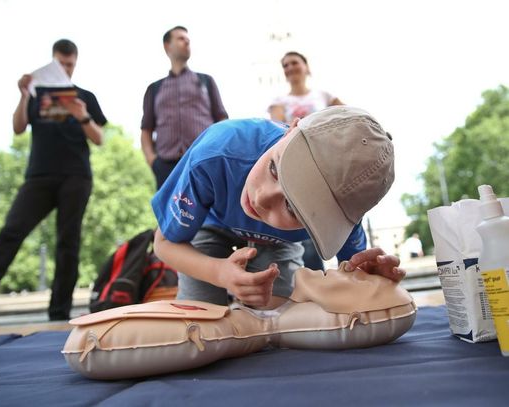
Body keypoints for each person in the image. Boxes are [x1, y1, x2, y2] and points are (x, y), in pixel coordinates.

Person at [151, 105, 405, 309]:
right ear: (291, 129)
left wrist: (371, 282)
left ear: (333, 224)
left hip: (277, 242)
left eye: (293, 208)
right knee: (200, 318)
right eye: (274, 168)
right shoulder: (216, 154)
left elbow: (356, 282)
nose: (261, 198)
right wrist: (219, 273)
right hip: (211, 223)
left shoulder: (342, 212)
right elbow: (164, 244)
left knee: (283, 316)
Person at [0, 39, 107, 324]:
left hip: (76, 177)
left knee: (68, 243)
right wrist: (23, 94)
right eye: (61, 64)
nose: (66, 68)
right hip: (39, 177)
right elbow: (18, 128)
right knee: (9, 235)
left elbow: (99, 138)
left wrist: (82, 115)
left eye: (70, 64)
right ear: (52, 63)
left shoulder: (85, 96)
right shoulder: (35, 95)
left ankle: (59, 314)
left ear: (75, 63)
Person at [269, 51, 344, 271]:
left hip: (328, 165)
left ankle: (351, 270)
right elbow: (276, 127)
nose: (290, 67)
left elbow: (348, 118)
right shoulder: (280, 101)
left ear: (306, 66)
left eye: (294, 62)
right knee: (306, 221)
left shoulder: (325, 95)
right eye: (285, 65)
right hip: (299, 167)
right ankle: (315, 278)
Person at [140, 25, 228, 189]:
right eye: (181, 39)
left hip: (204, 160)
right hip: (166, 167)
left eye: (188, 40)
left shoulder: (206, 81)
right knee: (171, 214)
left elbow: (222, 120)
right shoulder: (155, 88)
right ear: (167, 46)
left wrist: (217, 153)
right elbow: (146, 130)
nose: (186, 42)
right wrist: (152, 161)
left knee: (211, 213)